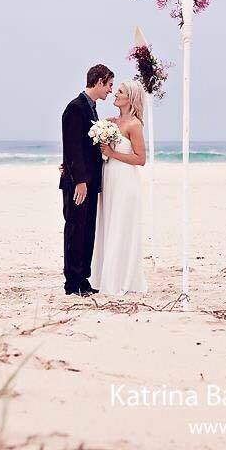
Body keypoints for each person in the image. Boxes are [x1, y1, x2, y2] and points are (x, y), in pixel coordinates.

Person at [59, 64, 114, 296]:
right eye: (109, 85)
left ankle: (83, 279)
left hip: (90, 182)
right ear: (99, 81)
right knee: (75, 229)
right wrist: (80, 180)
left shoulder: (91, 108)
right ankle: (72, 282)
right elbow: (72, 147)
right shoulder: (75, 108)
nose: (110, 90)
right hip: (78, 184)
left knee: (88, 229)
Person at [90, 80, 148, 295]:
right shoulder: (110, 121)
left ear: (130, 98)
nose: (115, 93)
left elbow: (140, 159)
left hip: (125, 181)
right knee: (108, 223)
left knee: (121, 226)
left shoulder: (134, 124)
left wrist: (112, 153)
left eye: (120, 91)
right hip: (109, 179)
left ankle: (121, 278)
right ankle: (104, 276)